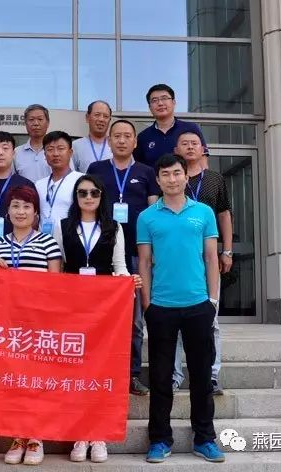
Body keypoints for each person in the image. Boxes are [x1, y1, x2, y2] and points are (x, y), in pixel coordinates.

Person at [137, 154, 224, 464]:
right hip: (161, 306)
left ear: (186, 177)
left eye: (177, 173)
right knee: (161, 378)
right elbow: (144, 262)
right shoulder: (147, 217)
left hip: (198, 305)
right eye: (166, 174)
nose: (172, 179)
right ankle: (160, 439)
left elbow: (211, 258)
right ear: (158, 180)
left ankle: (205, 438)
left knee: (201, 376)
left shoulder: (203, 212)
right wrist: (147, 304)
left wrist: (212, 301)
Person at [53, 175, 142, 463]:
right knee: (77, 371)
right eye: (83, 193)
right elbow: (59, 266)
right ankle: (80, 433)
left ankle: (99, 434)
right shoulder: (63, 226)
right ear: (76, 197)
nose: (88, 197)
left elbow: (119, 265)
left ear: (101, 196)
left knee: (101, 370)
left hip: (105, 309)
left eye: (94, 192)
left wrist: (128, 283)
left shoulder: (113, 226)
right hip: (73, 307)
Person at [0, 186, 62, 466]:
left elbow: (55, 285)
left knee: (36, 382)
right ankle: (18, 436)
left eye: (27, 207)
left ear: (36, 213)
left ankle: (36, 438)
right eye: (16, 206)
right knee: (13, 382)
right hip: (7, 326)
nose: (21, 212)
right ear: (7, 212)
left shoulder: (47, 243)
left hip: (38, 324)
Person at [88, 119, 160, 396]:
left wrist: (151, 252)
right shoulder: (96, 169)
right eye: (116, 136)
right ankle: (99, 372)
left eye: (127, 136)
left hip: (135, 255)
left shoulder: (146, 171)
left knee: (134, 321)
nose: (121, 140)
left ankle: (132, 374)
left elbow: (153, 212)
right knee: (99, 319)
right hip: (101, 255)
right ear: (109, 141)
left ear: (135, 141)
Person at [172, 131, 234, 395]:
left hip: (207, 258)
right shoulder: (172, 178)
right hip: (176, 260)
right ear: (176, 149)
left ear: (203, 149)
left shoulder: (214, 179)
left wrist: (227, 251)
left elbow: (224, 214)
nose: (189, 147)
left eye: (194, 143)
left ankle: (212, 375)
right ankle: (174, 376)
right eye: (184, 144)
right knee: (174, 322)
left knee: (211, 319)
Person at [134, 84, 208, 169]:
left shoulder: (191, 128)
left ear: (173, 102)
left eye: (164, 98)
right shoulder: (143, 137)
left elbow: (202, 163)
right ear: (150, 107)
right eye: (154, 100)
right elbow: (139, 168)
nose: (160, 103)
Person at [34, 131, 83, 234]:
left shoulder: (82, 181)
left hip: (71, 239)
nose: (55, 154)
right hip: (43, 240)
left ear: (70, 152)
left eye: (61, 149)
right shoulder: (39, 185)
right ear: (45, 154)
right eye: (50, 149)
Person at [13, 104, 52, 181]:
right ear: (25, 124)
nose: (36, 123)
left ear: (47, 123)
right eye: (31, 119)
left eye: (40, 119)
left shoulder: (58, 151)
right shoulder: (16, 153)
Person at [72, 100, 113, 173]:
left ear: (109, 120)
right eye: (97, 115)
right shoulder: (76, 146)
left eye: (106, 116)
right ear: (87, 118)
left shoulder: (117, 145)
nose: (101, 119)